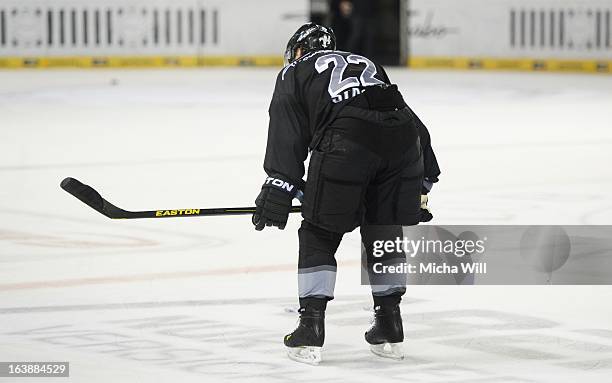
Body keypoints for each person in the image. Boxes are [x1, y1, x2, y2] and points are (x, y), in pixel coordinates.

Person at [252, 23, 440, 365]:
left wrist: (280, 182)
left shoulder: (294, 71)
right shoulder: (365, 62)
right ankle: (389, 323)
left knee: (319, 231)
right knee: (383, 229)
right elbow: (404, 113)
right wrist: (424, 176)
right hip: (402, 145)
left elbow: (287, 130)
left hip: (346, 141)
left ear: (296, 50)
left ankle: (310, 326)